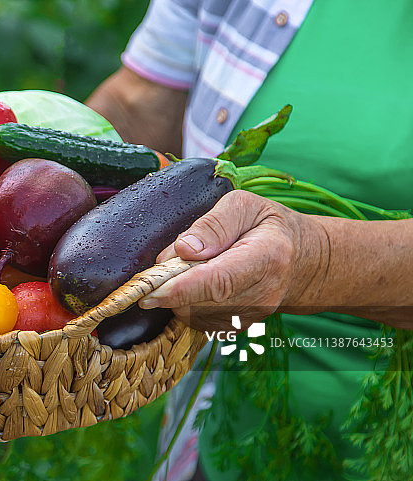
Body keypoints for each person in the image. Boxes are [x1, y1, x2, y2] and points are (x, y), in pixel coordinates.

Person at [84, 0, 413, 479]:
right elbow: (138, 103)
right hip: (219, 420)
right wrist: (22, 177)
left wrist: (314, 263)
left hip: (383, 441)